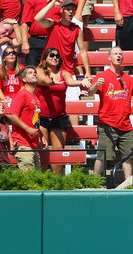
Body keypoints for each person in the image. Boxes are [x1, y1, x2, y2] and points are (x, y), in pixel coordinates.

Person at [88, 46, 133, 181]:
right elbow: (90, 93)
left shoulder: (127, 78)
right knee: (103, 156)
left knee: (128, 156)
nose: (118, 56)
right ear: (109, 58)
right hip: (107, 124)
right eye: (115, 54)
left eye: (120, 54)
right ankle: (94, 182)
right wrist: (95, 85)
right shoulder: (101, 76)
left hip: (125, 125)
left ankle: (128, 184)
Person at [35, 47, 90, 175]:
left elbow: (70, 82)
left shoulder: (63, 73)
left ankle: (56, 181)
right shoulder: (39, 71)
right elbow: (43, 80)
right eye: (52, 55)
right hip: (41, 117)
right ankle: (42, 180)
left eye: (57, 56)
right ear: (45, 58)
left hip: (58, 117)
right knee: (42, 149)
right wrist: (51, 82)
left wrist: (81, 82)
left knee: (58, 151)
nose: (55, 58)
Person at [35, 0, 91, 78]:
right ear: (61, 10)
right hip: (48, 69)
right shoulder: (53, 24)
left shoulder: (77, 29)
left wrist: (88, 72)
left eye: (73, 10)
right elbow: (37, 18)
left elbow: (82, 51)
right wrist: (52, 4)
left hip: (67, 71)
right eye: (68, 9)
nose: (71, 12)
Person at [7, 66, 44, 171]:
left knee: (36, 177)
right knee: (29, 178)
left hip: (33, 143)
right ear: (24, 79)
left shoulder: (35, 97)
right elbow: (12, 115)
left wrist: (41, 135)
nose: (34, 74)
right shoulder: (22, 94)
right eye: (30, 73)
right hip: (23, 142)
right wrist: (27, 129)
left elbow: (34, 120)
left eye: (35, 72)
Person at [20, 0, 61, 67]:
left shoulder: (60, 2)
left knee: (53, 69)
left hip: (54, 40)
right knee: (32, 69)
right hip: (36, 41)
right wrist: (25, 42)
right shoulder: (31, 1)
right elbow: (25, 23)